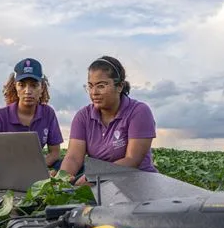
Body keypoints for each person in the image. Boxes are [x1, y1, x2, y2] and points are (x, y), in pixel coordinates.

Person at [59, 55, 158, 185]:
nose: (94, 92)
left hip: (138, 183)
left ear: (120, 86)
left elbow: (132, 160)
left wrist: (94, 177)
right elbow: (73, 158)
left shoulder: (139, 112)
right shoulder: (83, 117)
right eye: (90, 86)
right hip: (102, 185)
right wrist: (60, 181)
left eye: (101, 86)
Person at [0, 58, 63, 169]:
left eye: (34, 85)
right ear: (15, 87)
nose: (27, 91)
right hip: (6, 171)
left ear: (42, 88)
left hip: (36, 169)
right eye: (22, 85)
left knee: (65, 165)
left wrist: (35, 169)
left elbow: (55, 153)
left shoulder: (48, 113)